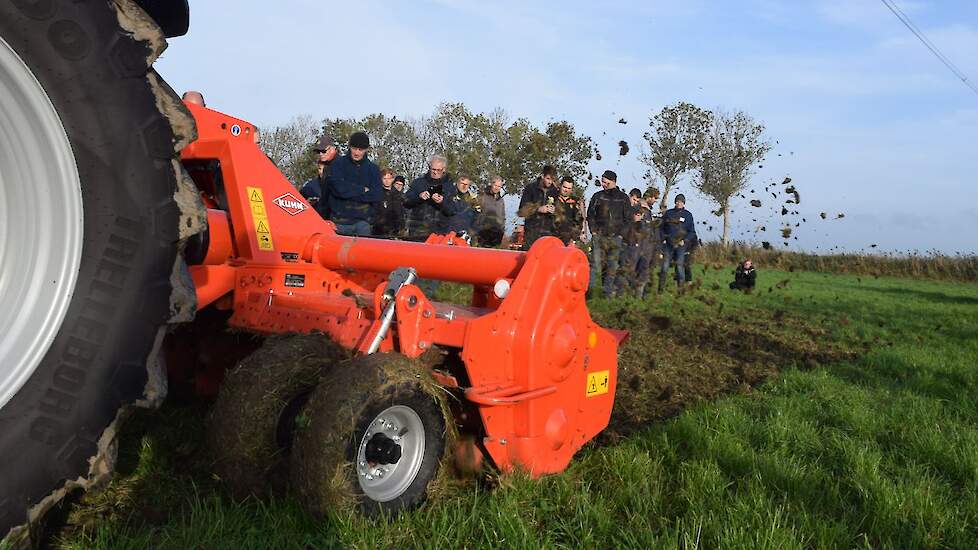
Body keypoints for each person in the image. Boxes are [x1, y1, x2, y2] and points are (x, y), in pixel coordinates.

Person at [326, 131, 382, 236]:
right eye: (354, 148)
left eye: (360, 150)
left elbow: (376, 195)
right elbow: (338, 188)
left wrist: (347, 192)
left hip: (363, 223)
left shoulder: (373, 169)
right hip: (339, 222)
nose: (356, 153)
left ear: (366, 150)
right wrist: (362, 190)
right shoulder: (338, 164)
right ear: (349, 147)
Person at [586, 170, 630, 298]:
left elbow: (628, 219)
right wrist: (593, 231)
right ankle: (589, 293)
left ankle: (607, 293)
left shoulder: (623, 198)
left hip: (616, 237)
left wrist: (621, 235)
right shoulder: (597, 196)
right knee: (594, 264)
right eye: (602, 181)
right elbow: (590, 215)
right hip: (599, 236)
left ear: (613, 182)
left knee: (612, 266)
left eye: (606, 182)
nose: (603, 184)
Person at [405, 155, 454, 240]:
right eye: (433, 169)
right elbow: (406, 202)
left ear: (444, 170)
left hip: (440, 233)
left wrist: (441, 202)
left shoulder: (450, 187)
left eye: (439, 170)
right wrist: (419, 197)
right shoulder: (418, 183)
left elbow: (452, 210)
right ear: (429, 168)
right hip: (417, 231)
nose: (435, 172)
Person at [658, 193, 696, 293]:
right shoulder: (668, 213)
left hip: (680, 246)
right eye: (678, 201)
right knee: (664, 267)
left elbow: (692, 232)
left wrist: (685, 240)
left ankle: (680, 290)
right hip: (668, 244)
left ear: (684, 203)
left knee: (679, 267)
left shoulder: (688, 215)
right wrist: (663, 238)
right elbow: (661, 228)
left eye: (681, 202)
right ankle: (660, 289)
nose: (679, 203)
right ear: (675, 202)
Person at [517, 165, 559, 249]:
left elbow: (559, 213)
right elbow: (521, 210)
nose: (550, 182)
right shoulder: (531, 188)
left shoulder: (555, 191)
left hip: (547, 233)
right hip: (531, 231)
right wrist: (538, 209)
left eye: (552, 180)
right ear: (542, 176)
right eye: (548, 178)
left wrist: (555, 211)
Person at [633, 187, 663, 298]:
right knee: (639, 271)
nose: (655, 200)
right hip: (640, 246)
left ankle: (642, 295)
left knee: (645, 272)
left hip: (648, 247)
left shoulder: (649, 211)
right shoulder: (639, 209)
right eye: (655, 198)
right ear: (649, 197)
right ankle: (637, 296)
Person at [616, 188, 646, 296]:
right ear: (630, 196)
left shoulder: (637, 212)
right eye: (633, 199)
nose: (634, 202)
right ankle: (620, 292)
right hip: (622, 242)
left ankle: (628, 291)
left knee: (629, 269)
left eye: (637, 201)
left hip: (633, 245)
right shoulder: (622, 208)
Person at [300, 135, 337, 220]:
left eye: (324, 151)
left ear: (332, 149)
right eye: (318, 152)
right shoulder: (311, 186)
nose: (321, 154)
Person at [372, 167, 405, 237]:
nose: (387, 181)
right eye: (384, 178)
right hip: (379, 230)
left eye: (389, 178)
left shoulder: (398, 195)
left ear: (393, 179)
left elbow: (400, 213)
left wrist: (401, 227)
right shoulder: (376, 193)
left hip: (395, 231)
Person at [475, 176, 506, 247]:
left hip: (497, 233)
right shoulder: (483, 196)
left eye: (499, 186)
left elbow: (503, 216)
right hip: (484, 232)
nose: (497, 188)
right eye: (495, 185)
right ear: (491, 184)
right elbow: (476, 212)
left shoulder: (501, 200)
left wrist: (502, 229)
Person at [553, 177, 585, 245]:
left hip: (569, 239)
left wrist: (575, 238)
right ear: (560, 186)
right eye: (564, 187)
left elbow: (579, 221)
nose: (566, 190)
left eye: (569, 188)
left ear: (572, 189)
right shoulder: (552, 198)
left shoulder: (575, 202)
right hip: (552, 236)